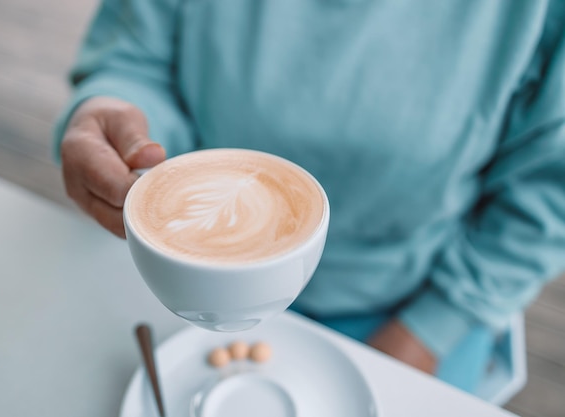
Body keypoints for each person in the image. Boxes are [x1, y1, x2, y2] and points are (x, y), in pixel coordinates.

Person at [54, 0, 565, 394]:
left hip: (406, 296)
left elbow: (547, 190)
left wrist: (429, 329)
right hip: (189, 277)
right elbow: (136, 61)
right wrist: (121, 129)